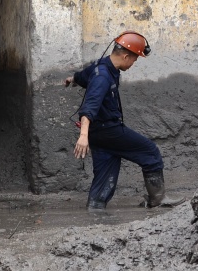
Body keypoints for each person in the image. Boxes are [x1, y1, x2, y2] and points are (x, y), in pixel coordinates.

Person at [65, 31, 183, 211]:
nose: (134, 63)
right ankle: (157, 199)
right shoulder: (103, 77)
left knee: (105, 177)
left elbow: (83, 75)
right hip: (108, 131)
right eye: (134, 60)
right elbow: (89, 107)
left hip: (100, 136)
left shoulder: (101, 65)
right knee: (150, 152)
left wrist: (72, 79)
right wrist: (83, 136)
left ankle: (95, 209)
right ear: (126, 56)